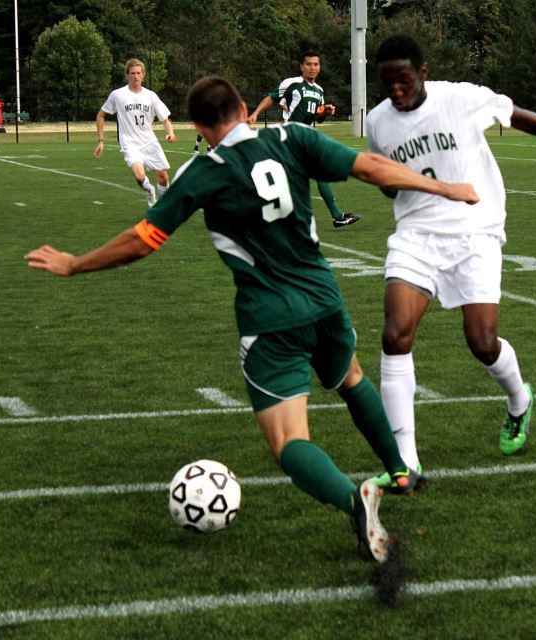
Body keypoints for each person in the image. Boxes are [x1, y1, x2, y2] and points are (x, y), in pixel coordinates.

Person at [25, 75, 478, 563]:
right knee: (350, 377)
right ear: (244, 108)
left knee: (287, 442)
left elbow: (144, 239)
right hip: (324, 297)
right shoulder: (292, 137)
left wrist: (75, 263)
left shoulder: (203, 171)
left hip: (270, 316)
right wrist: (442, 186)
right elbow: (368, 167)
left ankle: (355, 501)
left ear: (198, 125)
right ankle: (401, 470)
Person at [364, 34, 536, 484]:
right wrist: (392, 181)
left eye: (403, 80)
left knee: (482, 342)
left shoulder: (459, 98)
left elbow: (517, 116)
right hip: (416, 235)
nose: (395, 91)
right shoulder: (378, 122)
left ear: (422, 73)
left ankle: (519, 399)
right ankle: (405, 464)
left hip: (475, 231)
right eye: (387, 83)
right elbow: (388, 180)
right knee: (395, 334)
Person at [248, 50, 361, 229]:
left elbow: (317, 117)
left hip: (305, 137)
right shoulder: (292, 83)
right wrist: (255, 114)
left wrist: (327, 111)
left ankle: (337, 216)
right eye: (308, 64)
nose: (312, 68)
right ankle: (336, 216)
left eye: (316, 64)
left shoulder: (319, 90)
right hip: (291, 136)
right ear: (302, 67)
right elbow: (272, 97)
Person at [95, 58, 177, 206]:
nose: (136, 76)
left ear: (143, 75)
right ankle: (150, 190)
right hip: (129, 142)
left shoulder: (150, 96)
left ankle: (164, 206)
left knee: (163, 178)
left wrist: (170, 132)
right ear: (127, 75)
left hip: (149, 141)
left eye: (138, 73)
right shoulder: (118, 95)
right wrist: (101, 141)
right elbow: (101, 115)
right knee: (140, 177)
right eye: (132, 73)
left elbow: (165, 118)